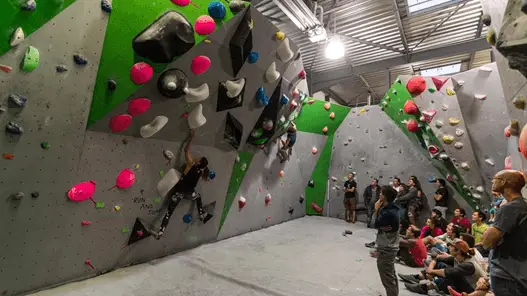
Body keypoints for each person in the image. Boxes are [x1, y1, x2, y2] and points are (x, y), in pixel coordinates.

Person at [154, 130, 213, 239]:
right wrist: (207, 177)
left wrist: (190, 138)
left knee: (169, 212)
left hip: (179, 192)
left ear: (198, 162)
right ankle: (201, 213)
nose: (197, 157)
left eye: (198, 158)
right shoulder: (201, 170)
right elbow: (206, 171)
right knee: (198, 197)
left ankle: (162, 230)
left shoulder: (191, 164)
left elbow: (186, 149)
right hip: (189, 193)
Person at [481, 170, 527, 296]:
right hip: (519, 272)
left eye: (495, 179)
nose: (492, 181)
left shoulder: (509, 208)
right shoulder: (522, 206)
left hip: (506, 274)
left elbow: (486, 241)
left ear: (504, 182)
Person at [401, 239, 481, 295]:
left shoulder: (469, 264)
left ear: (458, 251)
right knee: (441, 265)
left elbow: (447, 272)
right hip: (464, 285)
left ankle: (426, 287)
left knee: (451, 275)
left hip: (473, 291)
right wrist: (430, 269)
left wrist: (430, 271)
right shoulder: (457, 258)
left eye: (451, 246)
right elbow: (438, 258)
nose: (449, 248)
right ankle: (421, 277)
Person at [374, 186, 401, 296]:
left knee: (388, 278)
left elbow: (375, 223)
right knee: (390, 275)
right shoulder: (391, 209)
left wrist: (376, 209)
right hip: (388, 246)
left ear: (384, 196)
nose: (379, 195)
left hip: (387, 248)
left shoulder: (390, 213)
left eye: (381, 193)